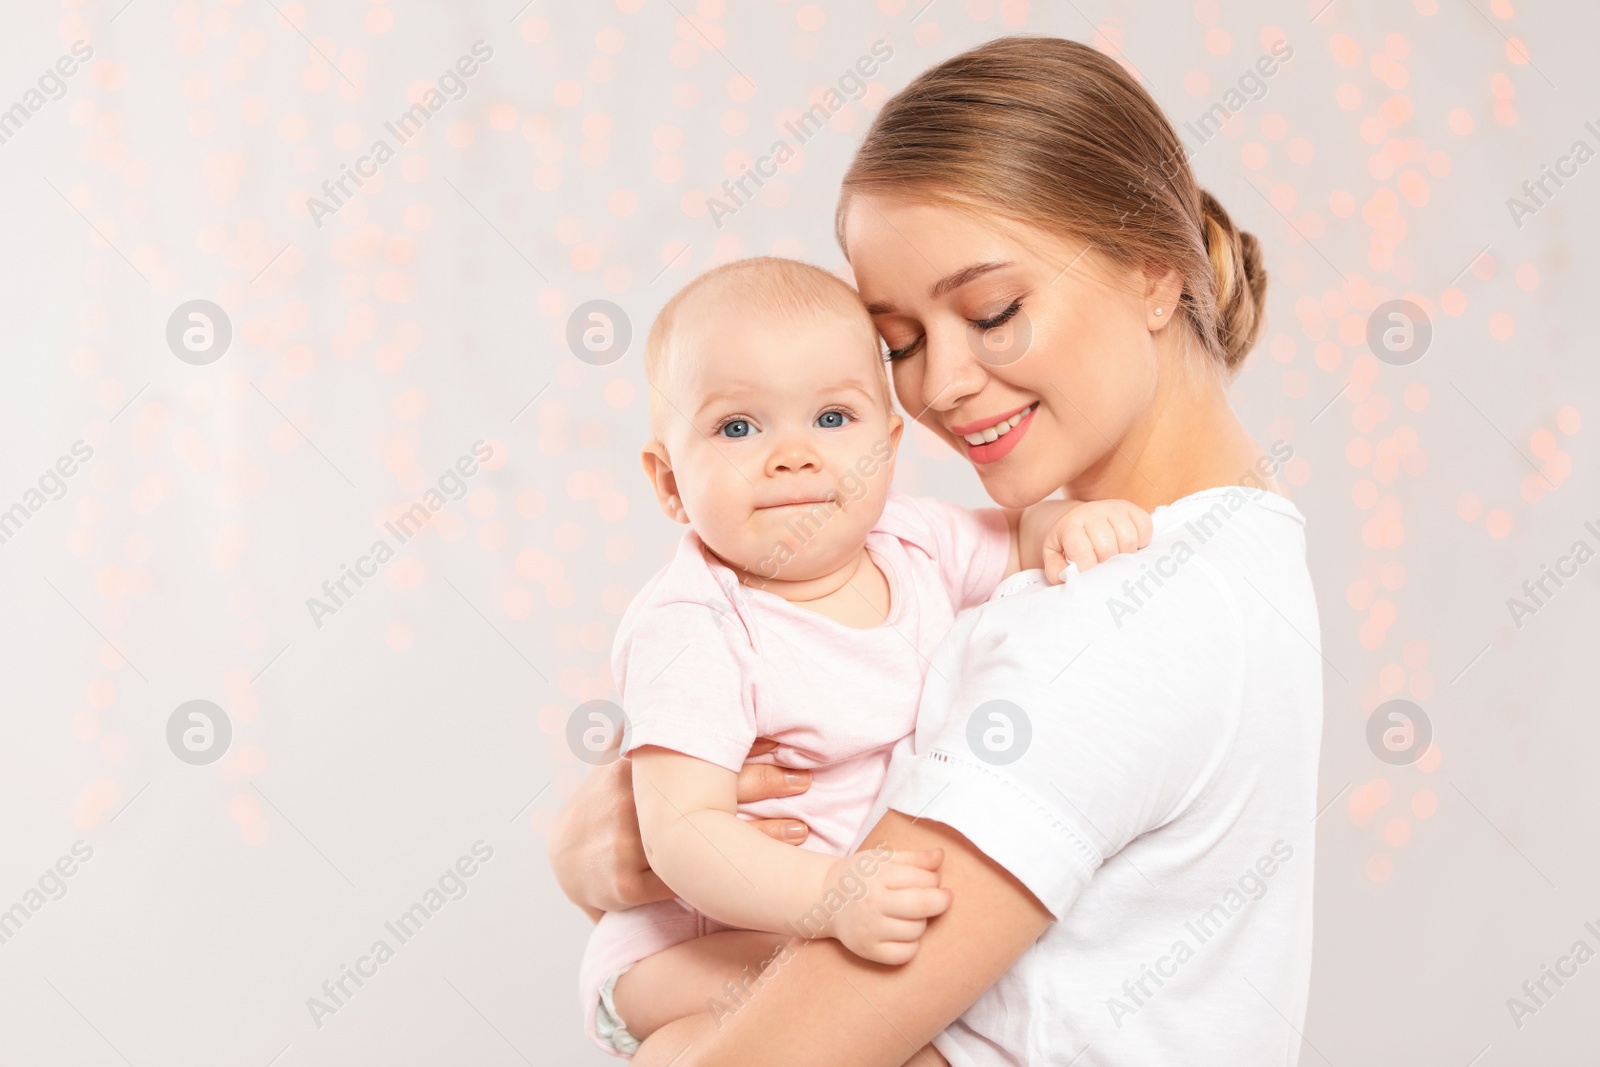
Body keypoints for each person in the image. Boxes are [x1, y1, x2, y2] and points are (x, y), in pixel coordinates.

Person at [551, 35, 1323, 1066]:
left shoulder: (1117, 616)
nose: (940, 384)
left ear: (1152, 273)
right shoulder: (1223, 560)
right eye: (901, 342)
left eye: (992, 310)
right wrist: (625, 844)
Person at [578, 254, 1151, 1058]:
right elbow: (684, 834)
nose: (793, 455)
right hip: (688, 948)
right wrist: (830, 895)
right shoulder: (694, 624)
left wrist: (1068, 528)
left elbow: (1019, 535)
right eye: (738, 427)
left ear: (887, 444)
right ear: (669, 482)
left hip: (842, 916)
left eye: (833, 418)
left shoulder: (916, 542)